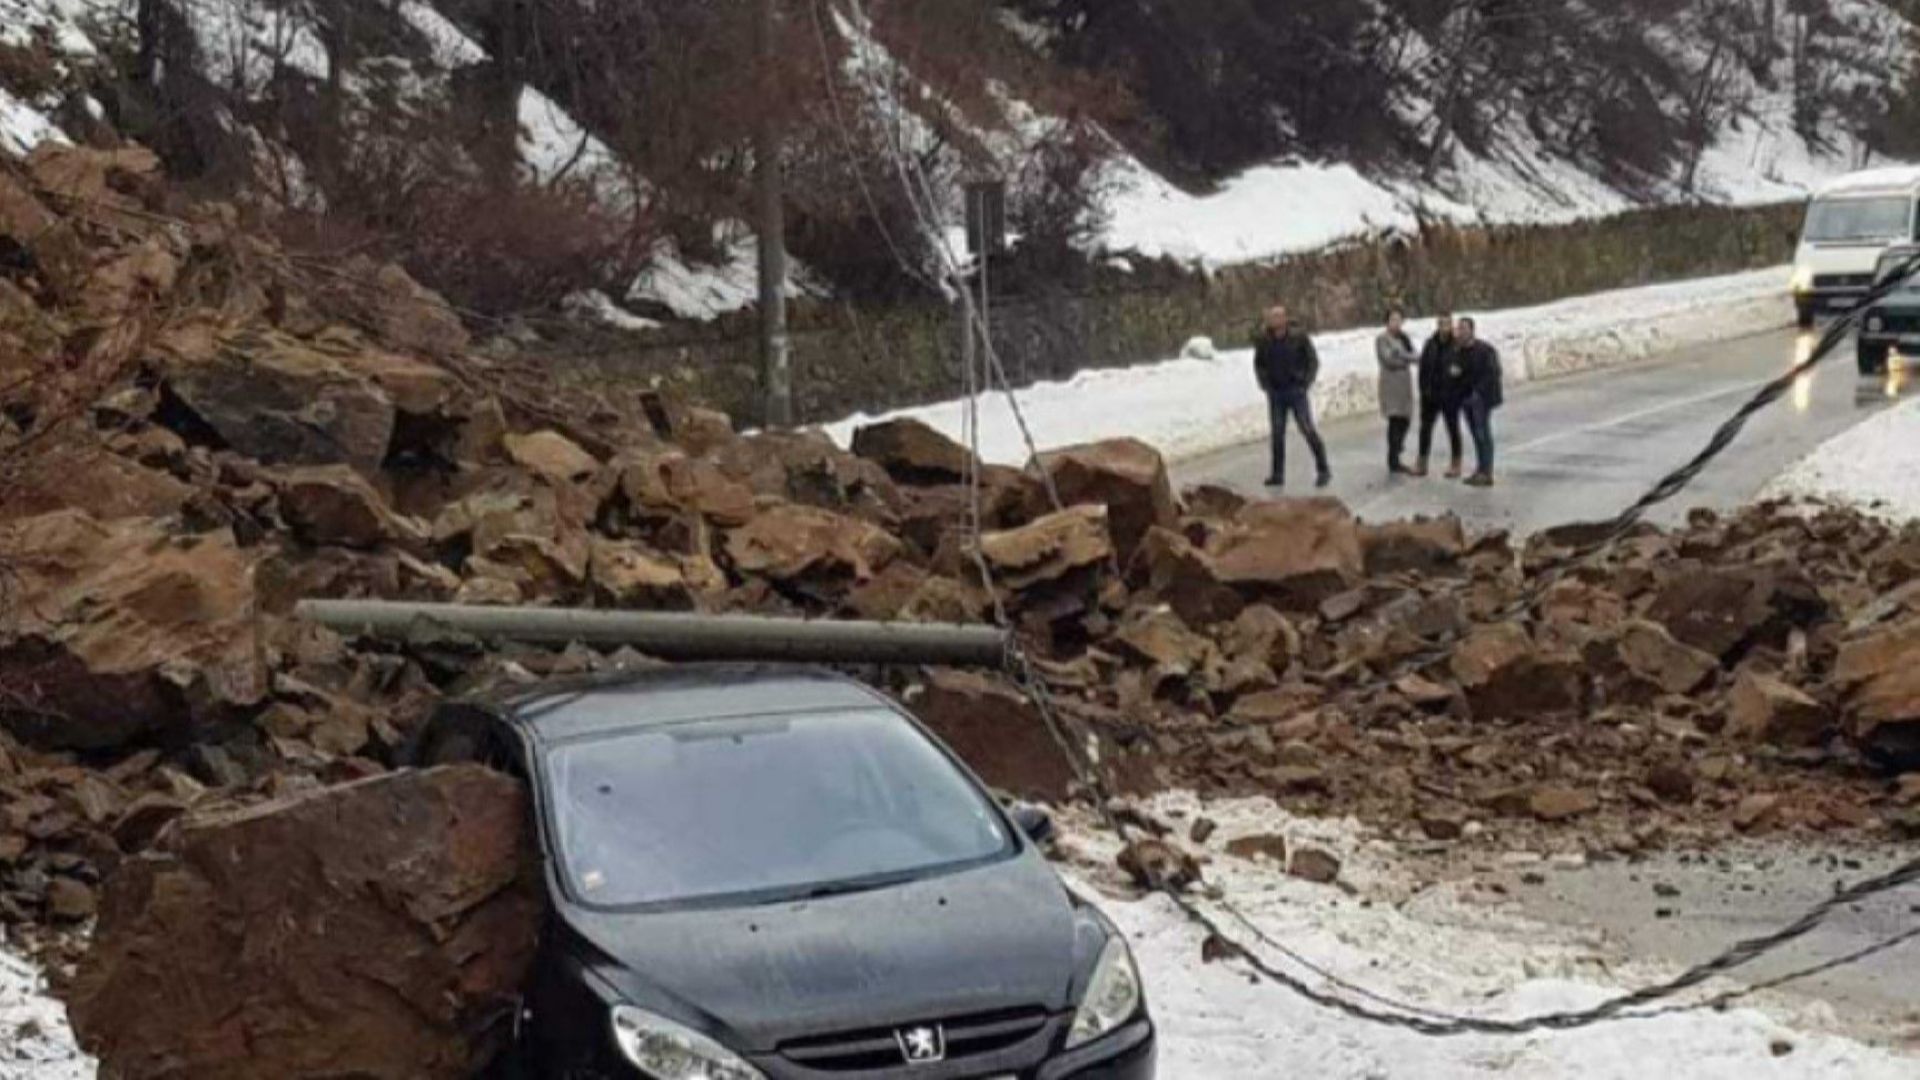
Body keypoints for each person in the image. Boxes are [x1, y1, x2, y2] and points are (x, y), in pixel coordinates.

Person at [1252, 304, 1331, 489]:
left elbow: (1312, 360)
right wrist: (1265, 384)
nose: (1276, 321)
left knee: (1307, 429)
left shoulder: (1298, 337)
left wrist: (1305, 381)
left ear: (1286, 318)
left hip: (1296, 391)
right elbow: (1259, 364)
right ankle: (1277, 474)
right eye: (1273, 317)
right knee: (1277, 434)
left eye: (1280, 316)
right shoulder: (1264, 340)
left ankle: (1323, 469)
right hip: (1276, 393)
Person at [1413, 313, 1464, 478]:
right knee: (1425, 429)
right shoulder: (1430, 344)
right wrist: (1423, 389)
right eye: (1441, 324)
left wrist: (1458, 383)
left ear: (1451, 325)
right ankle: (1422, 461)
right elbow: (1423, 368)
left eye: (1447, 324)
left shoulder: (1457, 346)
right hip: (1430, 395)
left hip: (1450, 395)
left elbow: (1463, 367)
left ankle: (1456, 462)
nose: (1444, 327)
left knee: (1453, 428)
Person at [1456, 316, 1503, 487]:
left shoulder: (1484, 350)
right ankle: (1480, 469)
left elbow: (1493, 373)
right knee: (1476, 435)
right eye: (1459, 329)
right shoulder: (1458, 352)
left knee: (1483, 434)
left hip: (1482, 399)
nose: (1461, 332)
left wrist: (1479, 392)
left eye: (1464, 329)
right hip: (1466, 399)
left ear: (1471, 330)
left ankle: (1486, 471)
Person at [1375, 308, 1416, 474]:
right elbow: (1388, 359)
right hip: (1390, 383)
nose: (1396, 323)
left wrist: (1402, 355)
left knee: (1405, 419)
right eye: (1393, 320)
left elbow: (1414, 356)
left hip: (1404, 383)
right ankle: (1393, 460)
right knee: (1395, 420)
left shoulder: (1404, 338)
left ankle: (1397, 447)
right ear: (1387, 322)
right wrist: (1403, 357)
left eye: (1399, 319)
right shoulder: (1382, 339)